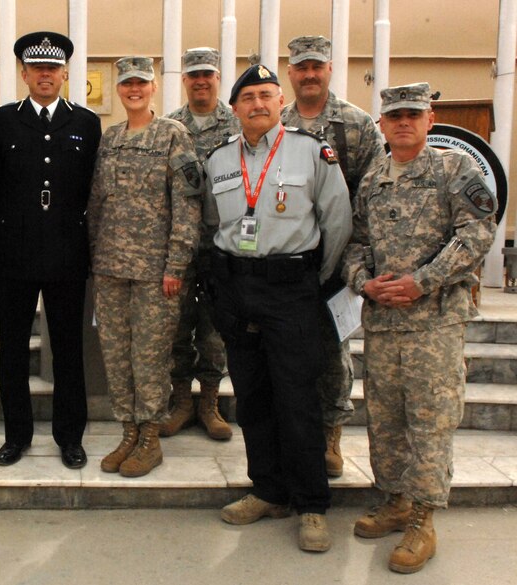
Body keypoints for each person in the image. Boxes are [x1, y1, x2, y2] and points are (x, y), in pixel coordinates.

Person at [343, 82, 496, 574]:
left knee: (430, 420)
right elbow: (356, 244)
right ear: (382, 125)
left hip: (435, 322)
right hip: (384, 322)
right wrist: (365, 283)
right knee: (385, 419)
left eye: (413, 114)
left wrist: (421, 282)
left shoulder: (456, 169)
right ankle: (394, 501)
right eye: (395, 116)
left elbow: (477, 232)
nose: (404, 122)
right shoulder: (372, 180)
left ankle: (424, 519)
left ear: (430, 120)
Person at [202, 64, 351, 552]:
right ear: (235, 108)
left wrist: (312, 280)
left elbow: (337, 222)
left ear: (280, 101)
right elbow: (211, 224)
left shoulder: (311, 151)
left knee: (297, 397)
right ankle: (267, 490)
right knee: (252, 396)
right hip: (237, 289)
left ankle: (311, 504)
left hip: (291, 290)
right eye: (248, 98)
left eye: (267, 95)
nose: (258, 105)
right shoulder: (220, 159)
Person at [0, 31, 101, 469]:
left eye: (52, 68)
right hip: (15, 252)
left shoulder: (86, 123)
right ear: (24, 72)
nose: (44, 75)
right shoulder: (0, 122)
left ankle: (70, 437)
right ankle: (17, 436)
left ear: (65, 73)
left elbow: (91, 187)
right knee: (12, 348)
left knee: (69, 349)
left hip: (68, 253)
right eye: (36, 68)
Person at [89, 56, 202, 477]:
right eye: (126, 83)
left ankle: (150, 437)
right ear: (119, 90)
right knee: (117, 357)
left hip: (157, 273)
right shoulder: (110, 138)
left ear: (153, 87)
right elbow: (97, 204)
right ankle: (128, 433)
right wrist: (95, 259)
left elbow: (187, 206)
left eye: (141, 82)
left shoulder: (174, 135)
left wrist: (176, 264)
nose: (133, 89)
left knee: (151, 357)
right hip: (111, 268)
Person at [281, 35, 386, 477]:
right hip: (286, 260)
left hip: (336, 260)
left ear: (329, 70)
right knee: (286, 350)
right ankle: (291, 433)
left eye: (316, 67)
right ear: (291, 71)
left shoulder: (356, 125)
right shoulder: (276, 121)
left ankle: (330, 437)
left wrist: (358, 259)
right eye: (301, 66)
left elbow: (375, 192)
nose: (309, 74)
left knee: (331, 351)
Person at [162, 47, 239, 441]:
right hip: (179, 245)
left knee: (213, 329)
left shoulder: (238, 123)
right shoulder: (170, 126)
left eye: (207, 74)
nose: (201, 81)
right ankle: (181, 402)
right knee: (176, 326)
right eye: (193, 75)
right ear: (184, 80)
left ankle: (209, 402)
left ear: (218, 77)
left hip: (222, 245)